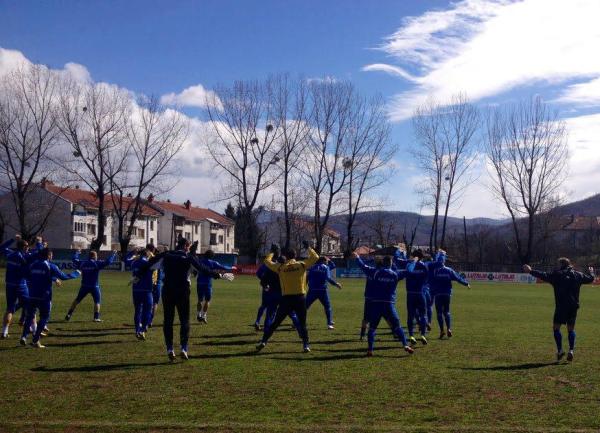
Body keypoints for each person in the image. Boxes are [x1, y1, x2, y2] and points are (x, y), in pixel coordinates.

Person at [145, 238, 222, 361]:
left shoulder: (166, 255)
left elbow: (149, 264)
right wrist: (218, 275)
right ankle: (183, 348)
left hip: (168, 290)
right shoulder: (188, 256)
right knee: (184, 320)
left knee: (168, 320)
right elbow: (202, 268)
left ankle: (170, 348)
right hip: (183, 291)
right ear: (186, 246)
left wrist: (138, 274)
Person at [523, 258, 595, 362]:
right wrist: (591, 272)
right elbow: (590, 279)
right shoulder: (578, 274)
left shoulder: (557, 275)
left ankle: (560, 350)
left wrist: (530, 271)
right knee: (571, 329)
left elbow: (544, 275)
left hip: (561, 306)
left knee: (556, 328)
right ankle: (571, 350)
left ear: (561, 264)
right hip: (573, 306)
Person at [256, 243, 319, 353]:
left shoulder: (281, 268)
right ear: (295, 256)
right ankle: (305, 345)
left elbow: (266, 261)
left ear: (286, 256)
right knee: (302, 323)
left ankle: (264, 341)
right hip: (300, 298)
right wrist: (308, 247)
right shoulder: (301, 265)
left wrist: (272, 252)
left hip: (286, 299)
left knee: (275, 322)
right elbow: (315, 257)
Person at [354, 252, 413, 357]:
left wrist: (357, 257)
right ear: (390, 263)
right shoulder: (396, 273)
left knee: (372, 328)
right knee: (397, 326)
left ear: (383, 263)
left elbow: (363, 266)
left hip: (376, 304)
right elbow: (409, 271)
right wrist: (414, 261)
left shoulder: (375, 272)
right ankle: (405, 345)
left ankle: (370, 350)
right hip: (389, 304)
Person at [20, 248, 81, 348]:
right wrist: (76, 273)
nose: (52, 256)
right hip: (44, 296)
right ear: (48, 256)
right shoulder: (51, 266)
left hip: (32, 294)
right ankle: (35, 340)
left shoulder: (33, 265)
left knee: (30, 316)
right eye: (51, 255)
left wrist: (49, 278)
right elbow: (64, 276)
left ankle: (23, 336)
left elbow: (26, 275)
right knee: (44, 317)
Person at [1, 236, 43, 339]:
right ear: (23, 247)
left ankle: (4, 332)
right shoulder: (26, 257)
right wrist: (39, 243)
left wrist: (12, 239)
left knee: (10, 308)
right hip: (21, 285)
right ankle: (34, 330)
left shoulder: (11, 254)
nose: (28, 247)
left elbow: (1, 248)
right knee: (30, 307)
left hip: (9, 285)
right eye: (27, 246)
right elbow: (40, 253)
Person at [254, 245, 300, 331]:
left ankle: (260, 324)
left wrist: (265, 284)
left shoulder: (269, 265)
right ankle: (300, 329)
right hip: (284, 293)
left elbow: (259, 275)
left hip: (270, 291)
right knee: (291, 312)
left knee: (266, 308)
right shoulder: (285, 267)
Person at [65, 249, 117, 322]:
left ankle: (69, 314)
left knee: (77, 300)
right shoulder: (96, 263)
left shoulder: (82, 263)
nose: (97, 257)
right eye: (96, 256)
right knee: (97, 301)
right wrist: (113, 254)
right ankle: (96, 317)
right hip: (94, 286)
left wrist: (77, 253)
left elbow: (74, 259)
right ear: (94, 256)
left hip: (84, 286)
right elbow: (108, 261)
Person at [429, 251, 469, 339]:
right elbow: (458, 278)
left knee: (439, 313)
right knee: (446, 312)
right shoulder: (449, 270)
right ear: (444, 261)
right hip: (447, 294)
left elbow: (430, 281)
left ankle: (442, 331)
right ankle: (449, 329)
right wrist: (466, 284)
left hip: (438, 294)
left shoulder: (435, 271)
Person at [195, 249, 235, 323]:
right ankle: (204, 316)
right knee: (207, 300)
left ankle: (198, 315)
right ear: (212, 256)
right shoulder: (212, 262)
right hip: (207, 284)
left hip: (199, 283)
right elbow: (222, 267)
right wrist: (231, 267)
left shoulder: (199, 261)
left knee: (200, 300)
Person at [124, 247, 155, 340]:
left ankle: (137, 330)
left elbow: (125, 260)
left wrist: (132, 252)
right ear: (147, 254)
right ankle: (142, 330)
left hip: (136, 290)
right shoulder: (148, 264)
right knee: (147, 311)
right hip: (147, 291)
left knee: (137, 310)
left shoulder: (134, 262)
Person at [306, 257, 342, 329]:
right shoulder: (325, 267)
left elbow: (307, 277)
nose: (327, 262)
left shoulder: (312, 267)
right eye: (327, 261)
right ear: (323, 261)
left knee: (305, 306)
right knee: (327, 306)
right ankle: (329, 324)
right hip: (322, 290)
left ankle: (298, 322)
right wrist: (336, 284)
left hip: (312, 290)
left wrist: (304, 286)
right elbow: (328, 278)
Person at [403, 250, 429, 346]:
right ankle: (422, 335)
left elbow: (407, 272)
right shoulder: (425, 266)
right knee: (423, 315)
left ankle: (411, 336)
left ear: (414, 256)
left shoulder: (409, 265)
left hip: (410, 294)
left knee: (410, 315)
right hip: (420, 293)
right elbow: (426, 279)